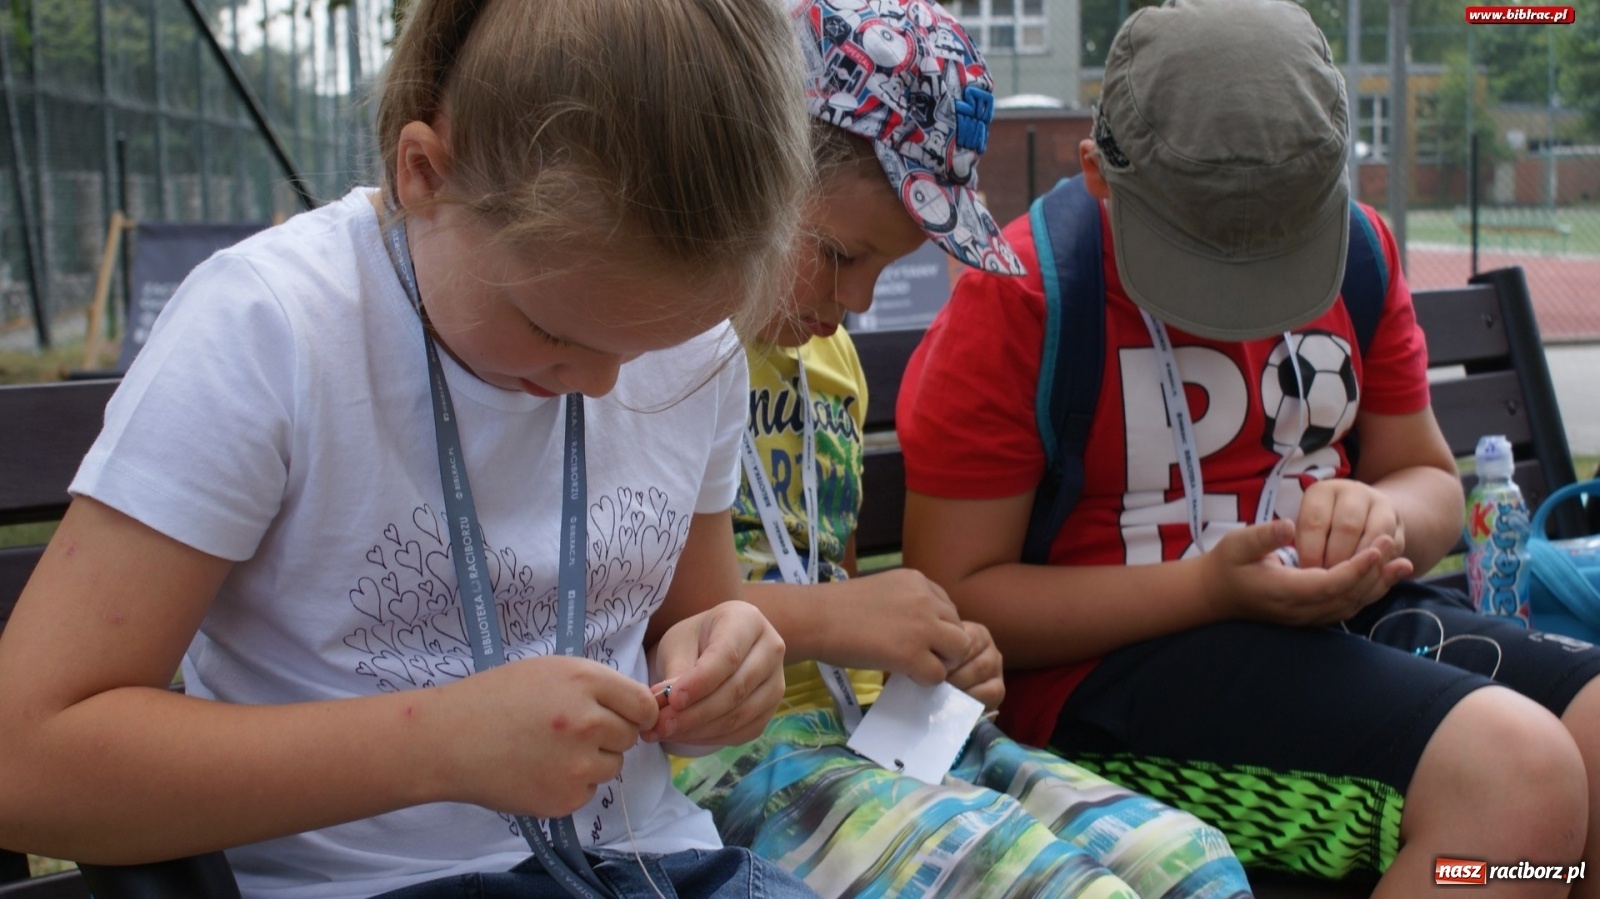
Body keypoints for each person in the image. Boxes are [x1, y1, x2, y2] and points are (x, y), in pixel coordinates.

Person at [0, 1, 825, 897]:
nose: (601, 383)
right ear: (424, 173)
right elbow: (26, 759)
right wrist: (439, 743)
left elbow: (682, 623)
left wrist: (722, 662)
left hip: (648, 860)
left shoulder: (693, 354)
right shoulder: (273, 330)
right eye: (550, 329)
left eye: (655, 342)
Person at [894, 0, 1600, 894]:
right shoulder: (1028, 295)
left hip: (1333, 629)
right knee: (1514, 777)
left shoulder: (1358, 253)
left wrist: (1383, 517)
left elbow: (1427, 478)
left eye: (1276, 250)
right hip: (1099, 693)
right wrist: (1205, 586)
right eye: (1198, 258)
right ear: (1098, 173)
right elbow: (957, 599)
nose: (1241, 295)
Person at [663, 2, 1253, 896]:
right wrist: (852, 617)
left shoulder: (830, 363)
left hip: (862, 728)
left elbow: (824, 581)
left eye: (882, 269)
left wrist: (925, 651)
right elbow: (649, 620)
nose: (855, 300)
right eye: (838, 253)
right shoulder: (655, 347)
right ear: (757, 170)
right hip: (714, 759)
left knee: (1193, 868)